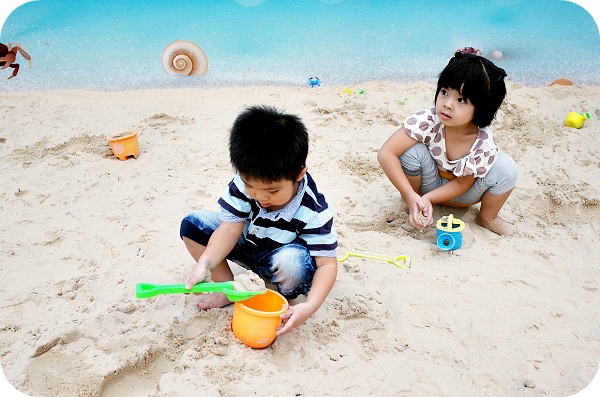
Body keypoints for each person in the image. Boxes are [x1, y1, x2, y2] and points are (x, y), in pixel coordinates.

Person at [180, 105, 338, 336]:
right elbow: (228, 229)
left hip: (281, 258)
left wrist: (311, 305)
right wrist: (205, 264)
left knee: (293, 262)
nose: (261, 197)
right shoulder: (244, 183)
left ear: (298, 174)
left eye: (272, 191)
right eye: (251, 186)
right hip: (248, 244)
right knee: (193, 224)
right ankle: (229, 289)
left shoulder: (314, 210)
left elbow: (327, 264)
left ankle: (285, 299)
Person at [377, 52, 518, 235]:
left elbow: (461, 185)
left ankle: (488, 218)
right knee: (410, 150)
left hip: (464, 194)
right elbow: (386, 153)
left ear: (482, 109)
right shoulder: (428, 120)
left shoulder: (483, 143)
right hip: (429, 182)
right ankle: (409, 202)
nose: (447, 104)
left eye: (461, 100)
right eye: (444, 92)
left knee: (507, 168)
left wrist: (430, 198)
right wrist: (411, 195)